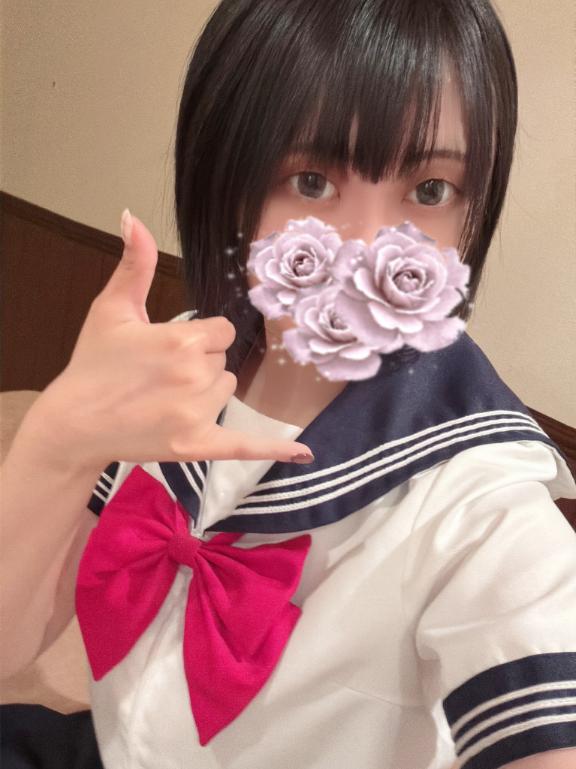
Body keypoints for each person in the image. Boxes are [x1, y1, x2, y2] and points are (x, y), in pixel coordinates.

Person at [1, 1, 575, 768]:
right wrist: (59, 441)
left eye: (431, 190)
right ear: (225, 178)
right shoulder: (185, 355)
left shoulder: (481, 501)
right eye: (312, 181)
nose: (367, 249)